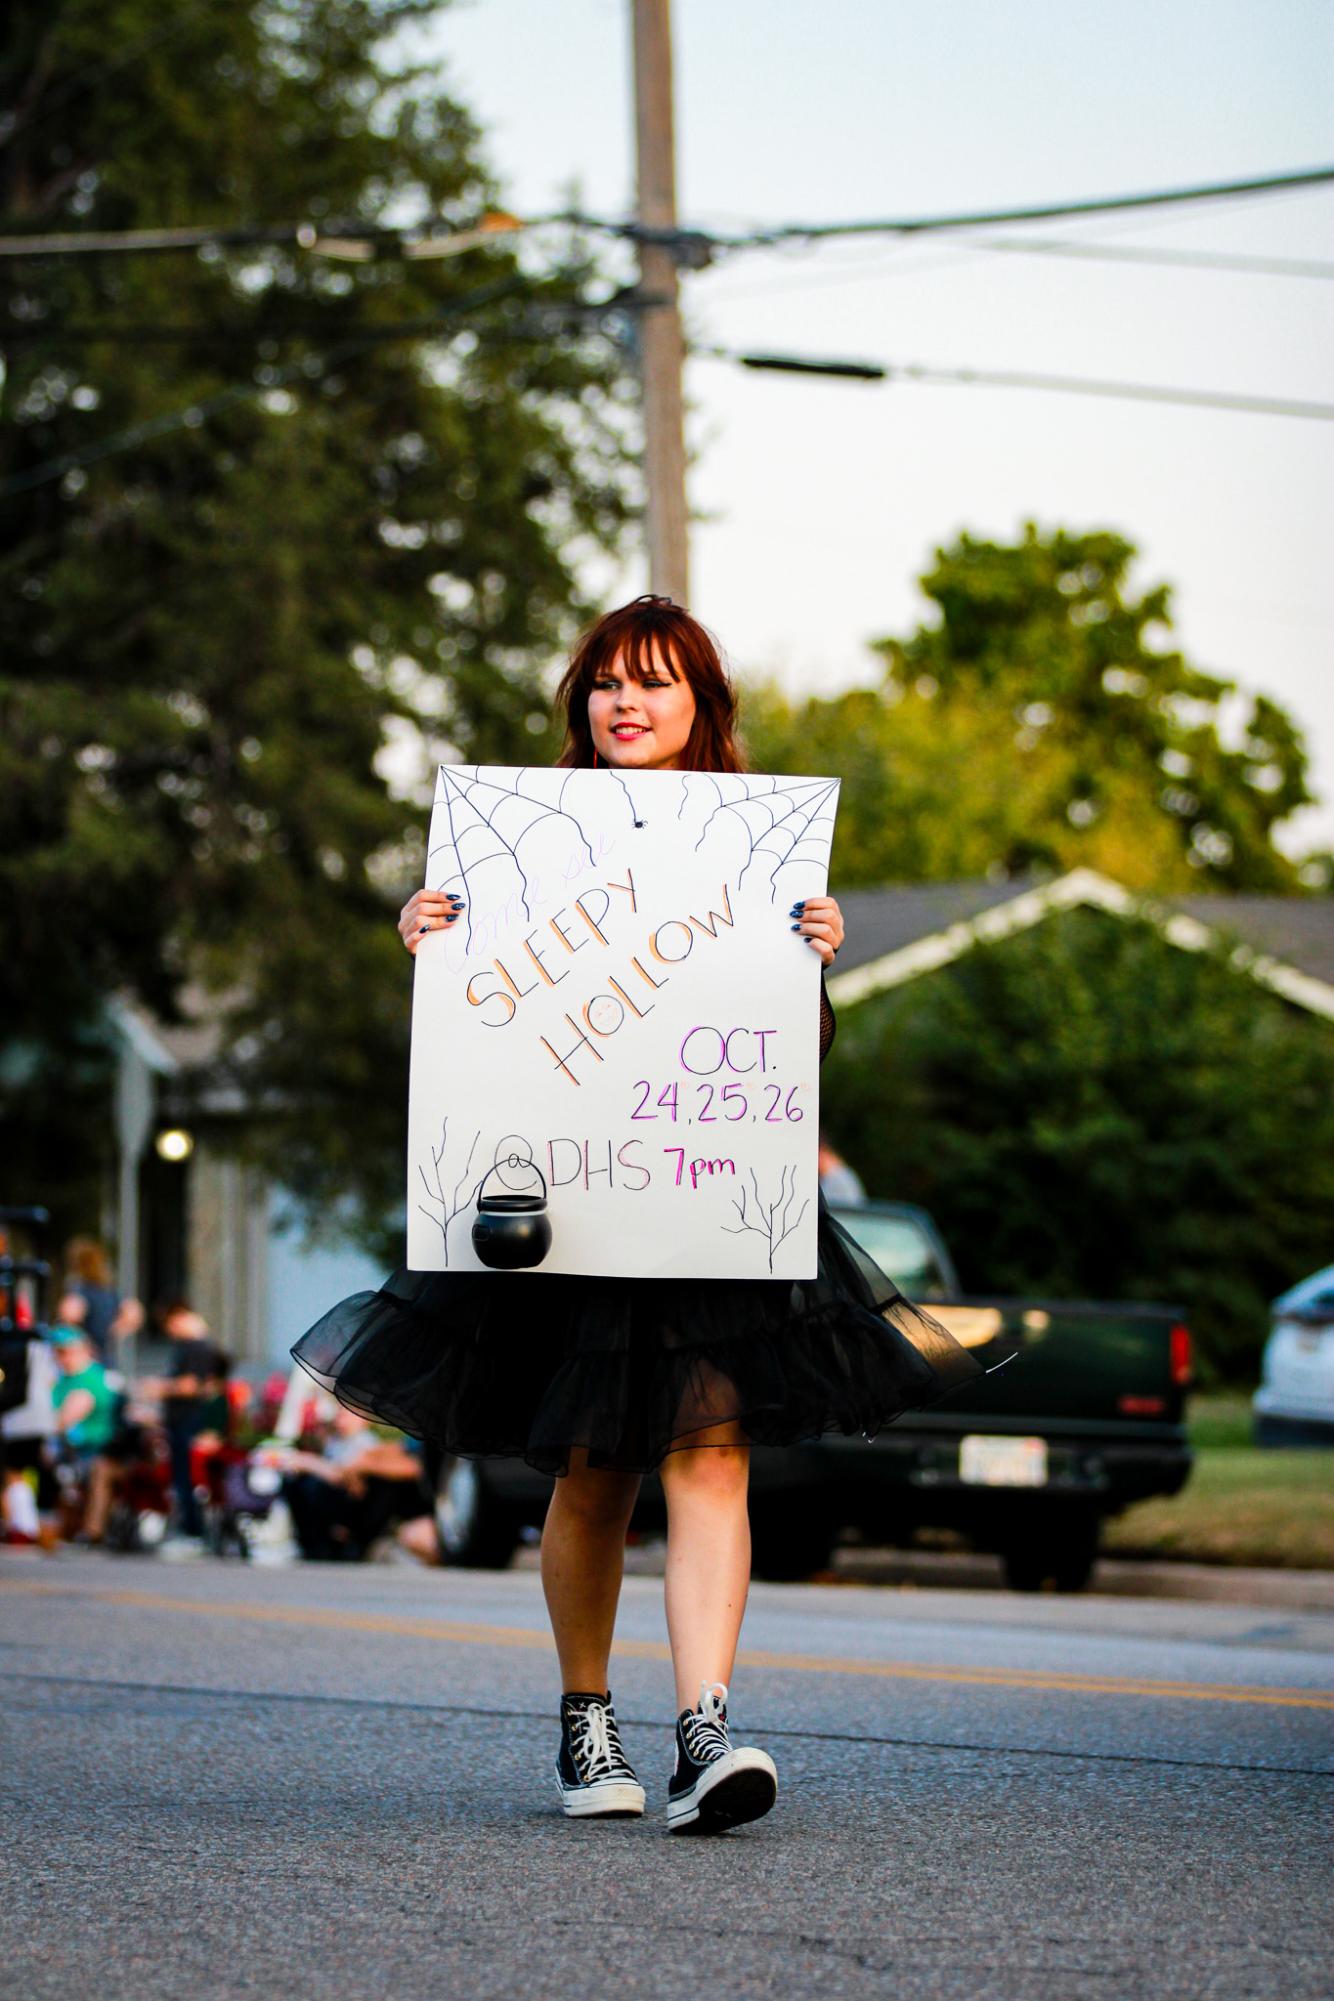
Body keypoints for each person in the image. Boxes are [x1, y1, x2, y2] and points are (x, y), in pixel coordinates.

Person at [292, 596, 986, 1835]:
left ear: (699, 708)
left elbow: (780, 1062)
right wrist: (435, 943)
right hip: (565, 1213)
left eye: (656, 682)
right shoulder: (518, 841)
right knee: (594, 1472)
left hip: (706, 1203)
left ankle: (704, 1733)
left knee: (712, 1456)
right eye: (607, 681)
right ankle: (585, 1724)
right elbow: (480, 1039)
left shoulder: (759, 848)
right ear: (582, 704)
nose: (626, 702)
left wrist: (807, 963)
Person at [260, 1409, 437, 1562]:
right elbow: (396, 1450)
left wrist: (311, 1463)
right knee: (298, 1483)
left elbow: (414, 1467)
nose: (341, 1418)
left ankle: (345, 1542)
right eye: (340, 1414)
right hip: (351, 1494)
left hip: (360, 1499)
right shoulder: (340, 1444)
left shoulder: (363, 1441)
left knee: (312, 1487)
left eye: (347, 1415)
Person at [150, 1304, 226, 1543]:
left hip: (188, 1419)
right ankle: (188, 1526)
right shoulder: (189, 1347)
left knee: (187, 1478)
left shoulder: (197, 1347)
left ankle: (193, 1529)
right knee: (180, 1477)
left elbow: (192, 1385)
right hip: (179, 1420)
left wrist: (160, 1388)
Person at [49, 1325, 121, 1542]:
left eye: (65, 1351)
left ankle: (89, 1530)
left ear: (82, 1350)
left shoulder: (89, 1379)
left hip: (92, 1449)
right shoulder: (63, 1379)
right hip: (69, 1448)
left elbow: (62, 1420)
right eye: (57, 1352)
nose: (60, 1357)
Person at [60, 1237, 144, 1362]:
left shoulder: (78, 1287)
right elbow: (134, 1313)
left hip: (84, 1361)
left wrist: (77, 1341)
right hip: (107, 1356)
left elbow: (69, 1314)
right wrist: (113, 1333)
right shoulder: (109, 1288)